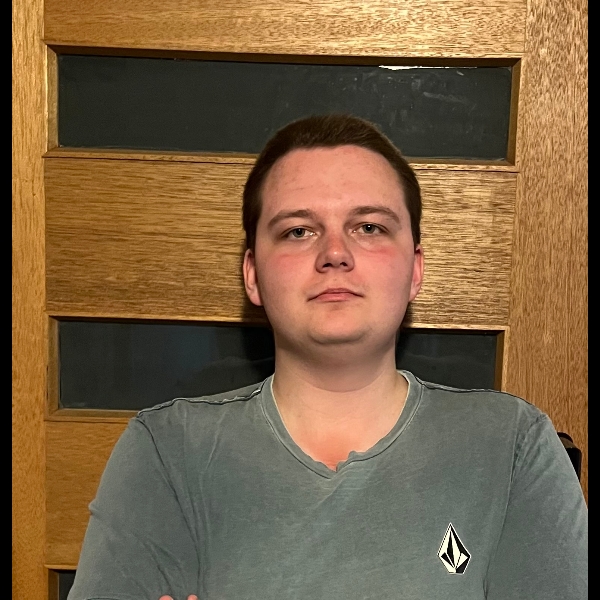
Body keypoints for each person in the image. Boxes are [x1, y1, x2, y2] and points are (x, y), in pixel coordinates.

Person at [68, 114, 587, 600]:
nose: (335, 254)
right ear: (253, 274)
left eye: (369, 227)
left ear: (414, 270)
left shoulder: (510, 446)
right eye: (298, 231)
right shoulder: (166, 452)